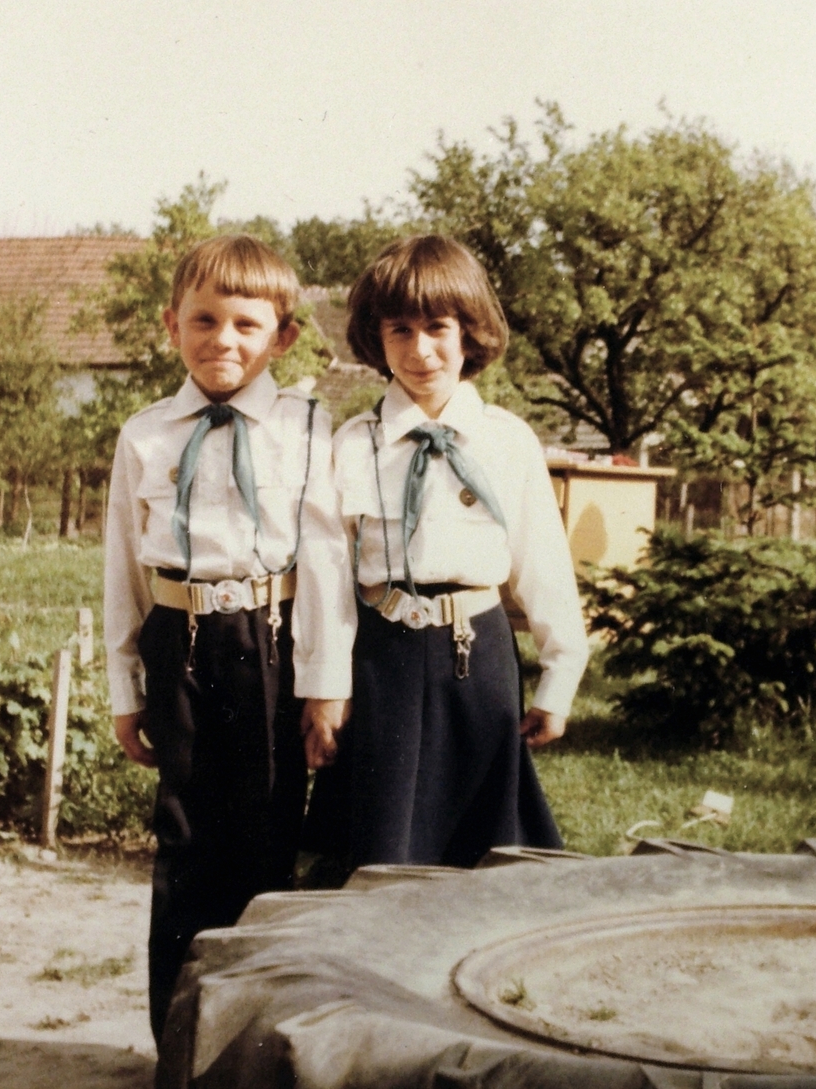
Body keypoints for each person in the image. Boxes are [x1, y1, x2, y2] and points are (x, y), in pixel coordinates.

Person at [102, 235, 350, 1041]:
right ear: (172, 324)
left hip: (269, 638)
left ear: (282, 335)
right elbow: (123, 572)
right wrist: (124, 688)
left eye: (248, 323)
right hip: (179, 638)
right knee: (183, 838)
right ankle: (179, 1040)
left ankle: (248, 1038)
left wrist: (323, 685)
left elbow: (321, 559)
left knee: (267, 834)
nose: (224, 340)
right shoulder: (144, 433)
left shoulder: (306, 427)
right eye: (204, 319)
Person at [301, 235, 588, 870]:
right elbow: (328, 576)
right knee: (381, 843)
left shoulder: (507, 442)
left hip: (477, 663)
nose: (421, 350)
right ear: (377, 340)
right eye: (400, 330)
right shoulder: (353, 446)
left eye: (438, 327)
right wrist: (326, 687)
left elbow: (544, 565)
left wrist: (559, 677)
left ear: (470, 332)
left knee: (481, 848)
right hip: (384, 664)